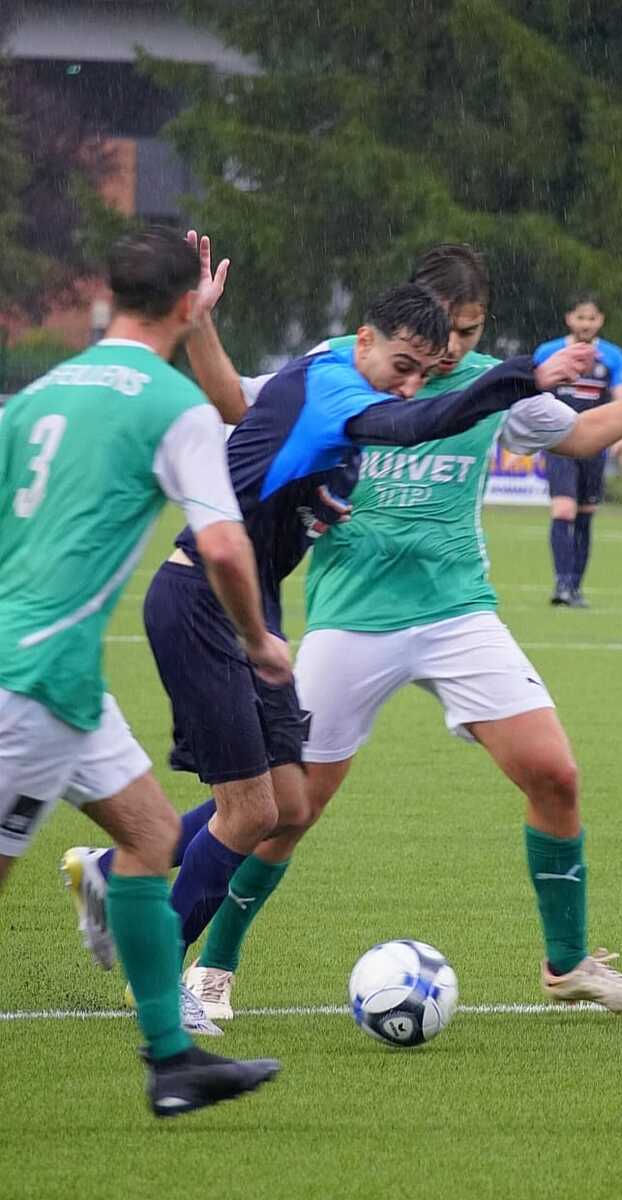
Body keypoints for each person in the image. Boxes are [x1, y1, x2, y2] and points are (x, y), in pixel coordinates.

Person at [176, 248, 622, 1021]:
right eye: (444, 330)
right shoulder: (341, 366)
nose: (451, 348)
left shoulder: (493, 385)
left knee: (555, 775)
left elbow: (585, 435)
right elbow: (237, 401)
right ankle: (212, 967)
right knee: (292, 808)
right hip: (350, 618)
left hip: (458, 612)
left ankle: (568, 967)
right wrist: (200, 324)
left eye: (470, 330)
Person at [62, 243, 594, 1001]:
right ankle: (162, 980)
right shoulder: (338, 388)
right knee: (252, 811)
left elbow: (239, 407)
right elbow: (415, 424)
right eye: (402, 366)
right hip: (206, 603)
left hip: (251, 606)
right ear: (364, 339)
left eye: (423, 371)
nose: (410, 384)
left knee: (289, 803)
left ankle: (115, 877)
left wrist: (202, 325)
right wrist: (523, 377)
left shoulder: (330, 390)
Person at [0, 227, 288, 1117]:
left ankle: (173, 1061)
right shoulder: (173, 405)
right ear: (186, 305)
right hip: (31, 681)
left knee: (153, 835)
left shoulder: (39, 394)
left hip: (65, 683)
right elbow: (225, 546)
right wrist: (258, 640)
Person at [534, 292, 622, 607]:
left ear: (600, 320)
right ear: (569, 319)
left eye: (591, 318)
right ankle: (562, 585)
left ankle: (575, 587)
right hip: (560, 443)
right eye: (580, 317)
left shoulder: (612, 356)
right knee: (563, 510)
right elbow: (532, 394)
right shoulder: (548, 352)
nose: (586, 324)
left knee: (586, 514)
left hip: (595, 444)